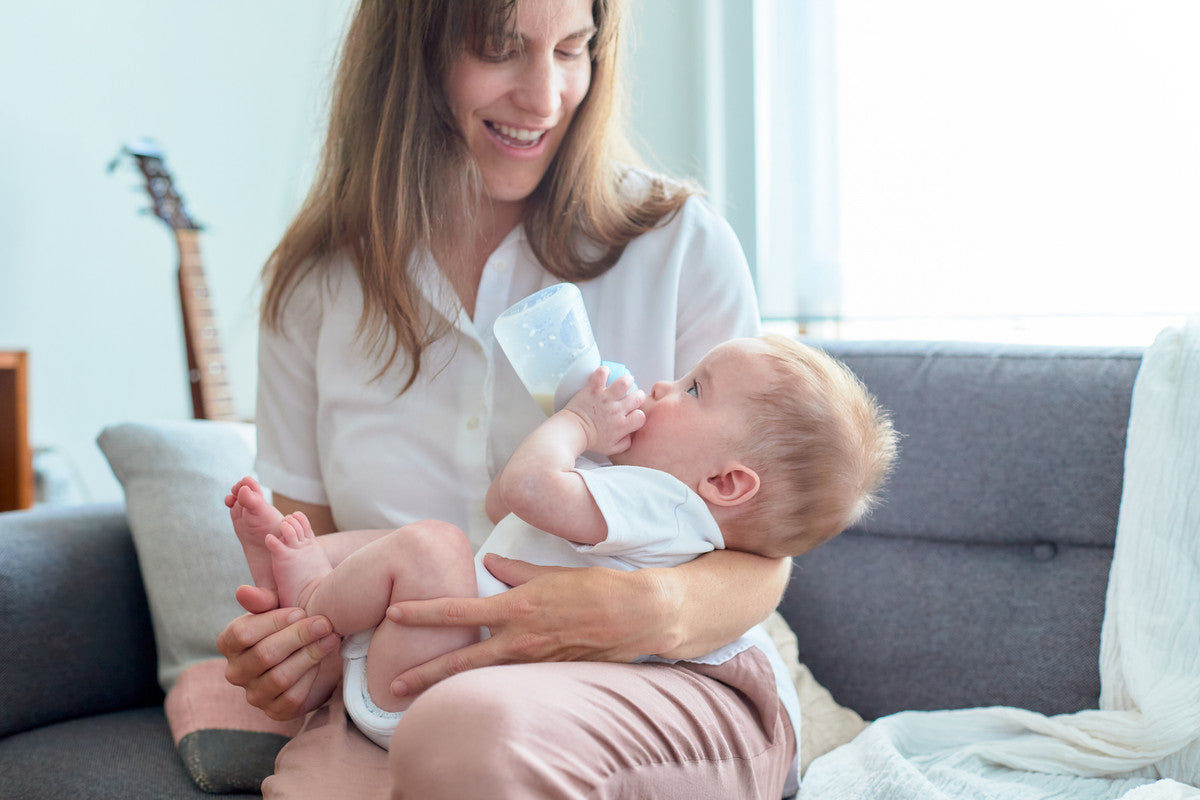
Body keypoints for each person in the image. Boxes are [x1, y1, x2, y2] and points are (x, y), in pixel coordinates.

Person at [217, 0, 822, 796]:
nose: (546, 98)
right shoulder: (317, 289)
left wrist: (641, 607)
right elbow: (312, 565)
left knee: (477, 738)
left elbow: (761, 559)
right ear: (412, 56)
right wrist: (294, 652)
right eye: (501, 50)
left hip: (662, 677)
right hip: (399, 696)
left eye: (574, 49)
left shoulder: (678, 247)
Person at [226, 335, 898, 751]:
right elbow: (504, 510)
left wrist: (578, 423)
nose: (664, 385)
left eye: (693, 389)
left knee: (430, 546)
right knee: (411, 545)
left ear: (723, 482)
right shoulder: (638, 501)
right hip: (434, 665)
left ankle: (311, 594)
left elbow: (524, 490)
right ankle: (305, 587)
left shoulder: (663, 506)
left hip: (425, 692)